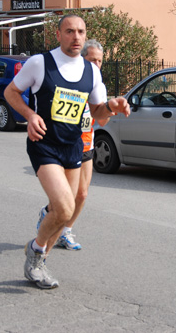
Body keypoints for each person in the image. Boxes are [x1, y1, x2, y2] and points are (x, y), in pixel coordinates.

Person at [4, 15, 130, 289]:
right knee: (63, 207)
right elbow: (11, 92)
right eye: (70, 31)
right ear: (58, 34)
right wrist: (29, 115)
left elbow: (98, 113)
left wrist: (111, 106)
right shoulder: (40, 63)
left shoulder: (91, 71)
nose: (76, 37)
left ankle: (39, 258)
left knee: (66, 211)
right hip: (44, 144)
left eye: (81, 32)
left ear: (85, 36)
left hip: (73, 145)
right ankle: (36, 256)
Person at [35, 39, 105, 250]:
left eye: (100, 61)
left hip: (86, 144)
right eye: (92, 59)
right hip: (63, 144)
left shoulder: (95, 80)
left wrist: (110, 107)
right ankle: (50, 214)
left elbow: (102, 118)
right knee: (65, 197)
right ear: (82, 58)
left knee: (82, 194)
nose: (96, 64)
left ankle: (65, 230)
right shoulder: (70, 79)